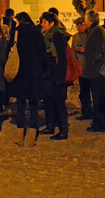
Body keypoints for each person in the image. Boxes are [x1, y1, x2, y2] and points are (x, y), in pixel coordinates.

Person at [9, 12, 44, 147]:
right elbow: (42, 53)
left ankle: (20, 132)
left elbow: (10, 49)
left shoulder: (17, 32)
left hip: (20, 71)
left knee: (21, 103)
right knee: (34, 103)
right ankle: (32, 133)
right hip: (34, 71)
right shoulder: (36, 32)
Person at [40, 11, 70, 140]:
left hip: (56, 75)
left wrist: (59, 77)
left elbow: (62, 58)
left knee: (59, 103)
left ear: (51, 23)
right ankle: (50, 125)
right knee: (48, 101)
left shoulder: (57, 35)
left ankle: (63, 129)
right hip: (48, 74)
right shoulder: (46, 35)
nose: (42, 24)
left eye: (44, 22)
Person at [83, 10, 105, 132]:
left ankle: (101, 123)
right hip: (96, 70)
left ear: (89, 20)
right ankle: (98, 122)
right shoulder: (96, 30)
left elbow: (97, 51)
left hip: (97, 71)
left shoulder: (97, 31)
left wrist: (90, 61)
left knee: (99, 98)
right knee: (98, 98)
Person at [71, 17, 90, 120]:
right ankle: (86, 111)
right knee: (83, 92)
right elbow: (73, 52)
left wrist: (85, 50)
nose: (79, 27)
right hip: (80, 69)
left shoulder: (90, 36)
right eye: (77, 25)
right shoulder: (75, 37)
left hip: (90, 68)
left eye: (81, 25)